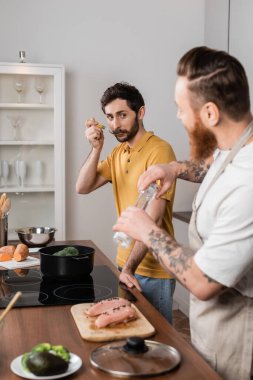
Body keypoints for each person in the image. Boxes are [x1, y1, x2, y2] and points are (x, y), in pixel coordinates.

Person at [113, 47, 253, 380]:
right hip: (210, 329)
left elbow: (203, 283)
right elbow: (212, 166)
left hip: (235, 338)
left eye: (181, 109)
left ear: (209, 113)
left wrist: (147, 230)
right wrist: (173, 168)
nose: (178, 117)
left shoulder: (249, 182)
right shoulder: (235, 145)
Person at [76, 82, 177, 324]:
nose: (115, 124)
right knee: (132, 338)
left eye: (122, 115)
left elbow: (152, 220)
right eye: (109, 117)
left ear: (140, 113)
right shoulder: (118, 153)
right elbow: (82, 186)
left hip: (153, 270)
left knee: (159, 341)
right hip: (125, 263)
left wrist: (129, 268)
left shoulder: (159, 151)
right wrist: (96, 148)